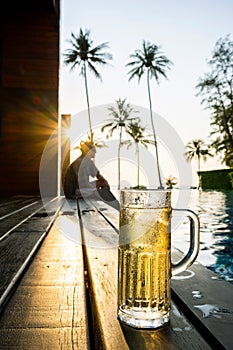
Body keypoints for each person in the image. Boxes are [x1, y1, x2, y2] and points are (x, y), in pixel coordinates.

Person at [63, 141, 120, 210]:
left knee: (102, 186)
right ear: (88, 151)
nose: (95, 153)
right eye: (93, 151)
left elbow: (98, 175)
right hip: (74, 192)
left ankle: (118, 208)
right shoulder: (81, 163)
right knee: (102, 192)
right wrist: (98, 187)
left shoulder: (87, 161)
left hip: (78, 189)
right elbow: (82, 184)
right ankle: (119, 209)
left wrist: (104, 183)